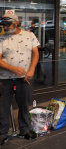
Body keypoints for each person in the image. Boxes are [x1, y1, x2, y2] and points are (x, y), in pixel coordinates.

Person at [0, 12, 39, 145]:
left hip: (25, 78)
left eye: (8, 24)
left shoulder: (29, 36)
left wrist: (32, 69)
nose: (5, 27)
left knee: (24, 104)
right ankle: (2, 133)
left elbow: (36, 53)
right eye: (3, 24)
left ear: (16, 23)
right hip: (5, 79)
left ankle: (24, 129)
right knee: (3, 106)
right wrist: (13, 69)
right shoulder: (1, 39)